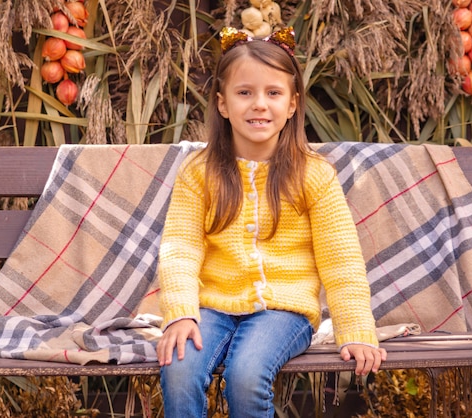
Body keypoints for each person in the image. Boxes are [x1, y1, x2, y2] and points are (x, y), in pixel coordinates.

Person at [156, 26, 387, 418]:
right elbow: (180, 247)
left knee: (246, 374)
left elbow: (341, 260)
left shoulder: (314, 175)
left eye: (273, 93)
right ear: (223, 104)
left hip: (284, 310)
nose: (259, 104)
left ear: (293, 104)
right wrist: (180, 311)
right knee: (178, 368)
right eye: (244, 93)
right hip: (212, 305)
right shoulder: (198, 173)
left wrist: (356, 329)